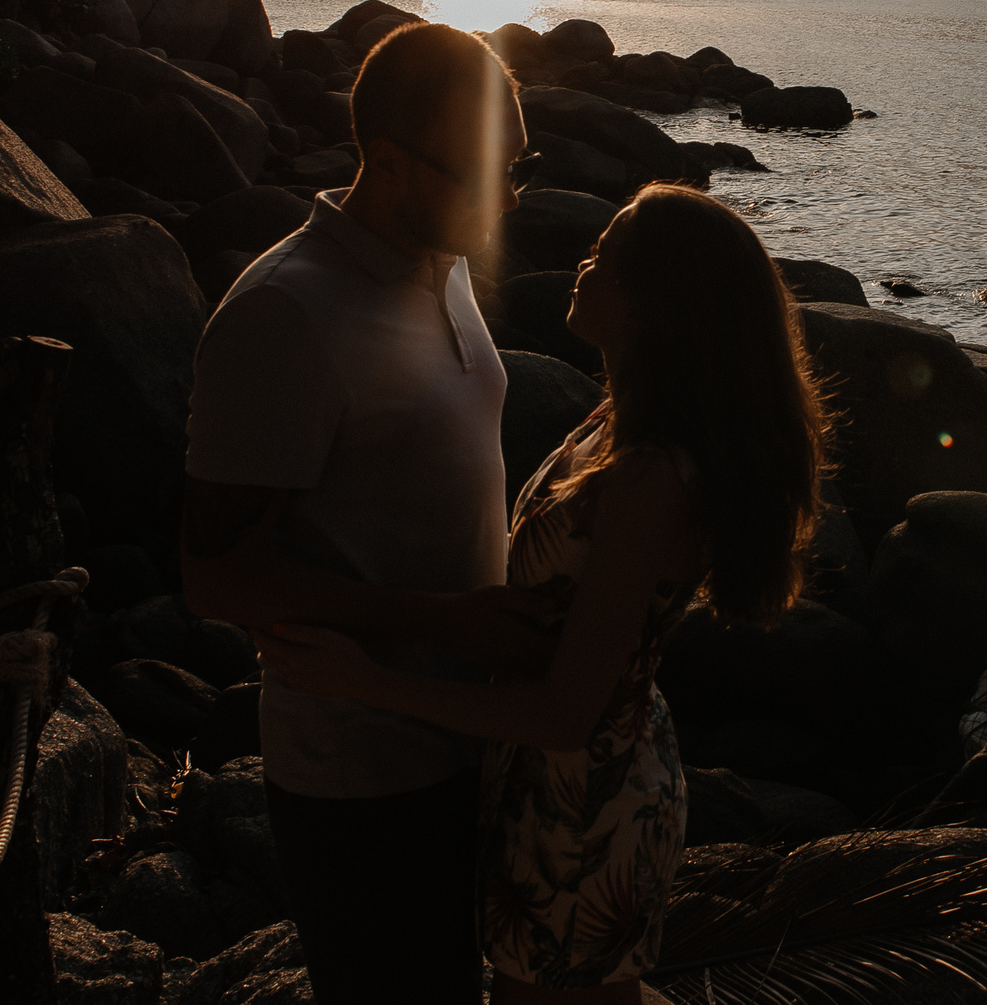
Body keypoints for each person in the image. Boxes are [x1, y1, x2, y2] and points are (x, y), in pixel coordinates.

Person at [257, 184, 830, 1004]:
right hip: (554, 784)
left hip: (588, 804)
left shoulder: (648, 479)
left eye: (605, 253)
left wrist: (365, 680)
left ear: (650, 302)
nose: (581, 262)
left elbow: (567, 710)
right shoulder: (614, 420)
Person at [180, 22, 554, 1005]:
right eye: (485, 173)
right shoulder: (286, 317)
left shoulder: (445, 259)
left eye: (520, 164)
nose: (510, 198)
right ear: (385, 164)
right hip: (360, 779)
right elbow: (216, 574)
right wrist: (444, 623)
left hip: (472, 736)